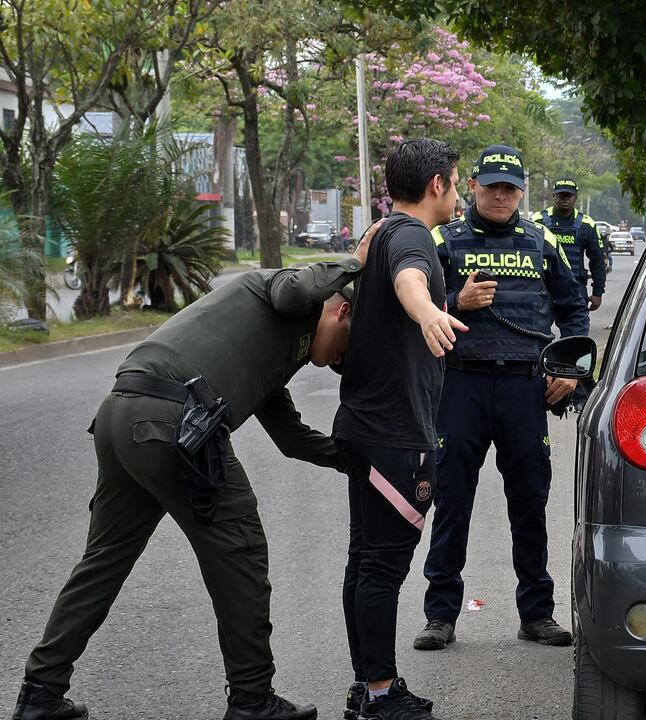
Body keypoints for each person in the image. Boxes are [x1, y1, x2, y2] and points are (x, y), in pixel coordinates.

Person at [11, 227, 379, 720]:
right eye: (344, 351)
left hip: (123, 414)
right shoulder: (282, 290)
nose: (336, 362)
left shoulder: (276, 351)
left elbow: (291, 438)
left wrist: (361, 461)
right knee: (241, 551)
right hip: (171, 421)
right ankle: (252, 700)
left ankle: (40, 693)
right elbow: (297, 287)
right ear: (342, 309)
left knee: (104, 559)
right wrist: (356, 262)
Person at [413, 145, 589, 652]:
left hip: (523, 388)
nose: (500, 196)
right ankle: (440, 615)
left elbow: (574, 309)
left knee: (530, 503)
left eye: (510, 189)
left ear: (521, 193)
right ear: (472, 186)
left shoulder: (541, 241)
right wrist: (456, 302)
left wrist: (570, 372)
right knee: (451, 502)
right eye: (491, 186)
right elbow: (412, 305)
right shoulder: (442, 241)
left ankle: (537, 614)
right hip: (460, 386)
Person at [331, 139, 464, 720]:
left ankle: (368, 686)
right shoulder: (412, 236)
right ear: (437, 184)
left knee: (364, 561)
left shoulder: (380, 231)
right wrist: (429, 310)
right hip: (394, 434)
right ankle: (382, 695)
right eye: (456, 181)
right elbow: (411, 279)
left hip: (364, 425)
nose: (458, 193)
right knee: (381, 568)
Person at [529, 178, 606, 312]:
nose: (565, 198)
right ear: (554, 196)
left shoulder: (587, 224)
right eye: (561, 195)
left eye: (568, 195)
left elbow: (597, 260)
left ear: (576, 198)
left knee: (578, 325)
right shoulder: (537, 220)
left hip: (575, 288)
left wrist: (598, 292)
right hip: (543, 288)